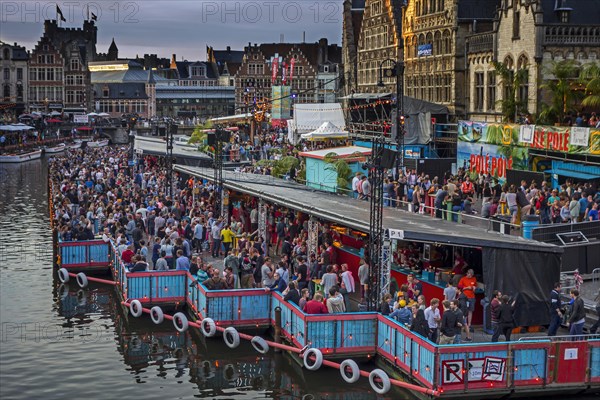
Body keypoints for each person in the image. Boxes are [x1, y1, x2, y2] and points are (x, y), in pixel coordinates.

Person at [458, 269, 477, 333]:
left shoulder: (474, 279)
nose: (470, 276)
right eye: (469, 274)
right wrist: (466, 288)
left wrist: (474, 288)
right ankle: (464, 324)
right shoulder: (463, 279)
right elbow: (459, 287)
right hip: (464, 297)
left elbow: (475, 285)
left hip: (472, 297)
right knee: (464, 311)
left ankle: (469, 324)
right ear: (467, 273)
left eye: (471, 275)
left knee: (470, 311)